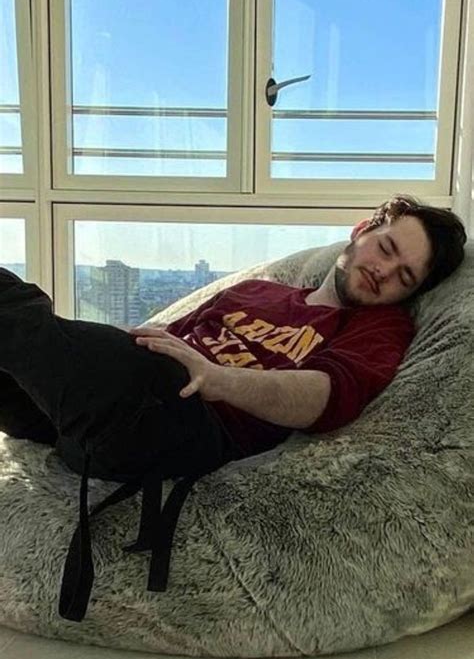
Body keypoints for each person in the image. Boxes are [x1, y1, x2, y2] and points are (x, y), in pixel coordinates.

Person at [0, 193, 467, 467]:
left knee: (16, 311)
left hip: (188, 425)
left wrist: (217, 379)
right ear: (361, 230)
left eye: (404, 276)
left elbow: (328, 398)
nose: (384, 271)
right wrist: (101, 345)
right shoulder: (255, 293)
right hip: (100, 420)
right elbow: (160, 339)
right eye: (385, 249)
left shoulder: (381, 327)